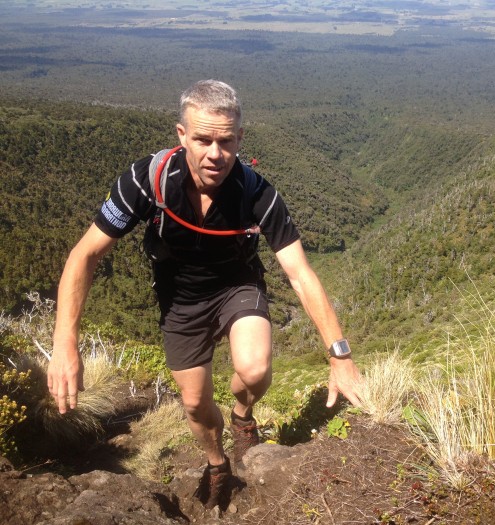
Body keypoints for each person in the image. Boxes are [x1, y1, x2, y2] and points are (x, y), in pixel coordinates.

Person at [47, 79, 363, 510]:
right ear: (181, 136)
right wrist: (65, 342)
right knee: (195, 404)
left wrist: (339, 354)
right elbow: (85, 255)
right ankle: (217, 463)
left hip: (238, 285)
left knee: (254, 370)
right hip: (181, 300)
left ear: (240, 139)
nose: (215, 154)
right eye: (203, 139)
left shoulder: (256, 193)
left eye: (226, 141)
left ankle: (242, 416)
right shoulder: (148, 180)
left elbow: (300, 273)